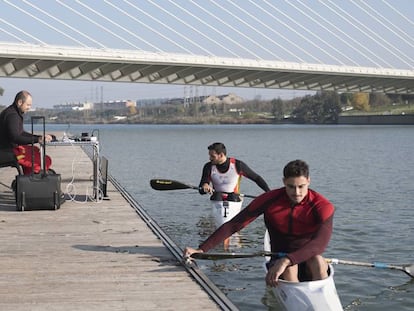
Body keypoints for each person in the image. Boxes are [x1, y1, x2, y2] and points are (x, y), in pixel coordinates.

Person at [185, 159, 335, 286]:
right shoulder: (270, 200)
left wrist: (288, 260)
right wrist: (202, 249)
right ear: (284, 182)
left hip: (306, 256)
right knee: (290, 268)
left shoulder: (322, 205)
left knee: (318, 261)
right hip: (279, 256)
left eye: (301, 187)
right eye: (291, 186)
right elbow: (234, 225)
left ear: (308, 181)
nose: (296, 193)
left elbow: (320, 243)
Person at [198, 142, 271, 249]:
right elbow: (201, 189)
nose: (210, 158)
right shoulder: (208, 167)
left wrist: (268, 193)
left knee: (233, 196)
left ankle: (224, 233)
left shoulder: (237, 165)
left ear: (221, 155)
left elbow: (256, 178)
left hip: (234, 199)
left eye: (212, 156)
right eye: (209, 156)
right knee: (217, 196)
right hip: (217, 198)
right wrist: (205, 186)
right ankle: (226, 232)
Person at [0, 90, 53, 175]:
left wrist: (39, 137)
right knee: (43, 159)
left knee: (35, 150)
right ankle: (31, 180)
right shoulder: (12, 115)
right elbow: (16, 138)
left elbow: (21, 133)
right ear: (20, 102)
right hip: (6, 152)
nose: (29, 107)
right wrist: (37, 139)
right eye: (28, 105)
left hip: (8, 149)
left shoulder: (14, 112)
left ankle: (28, 179)